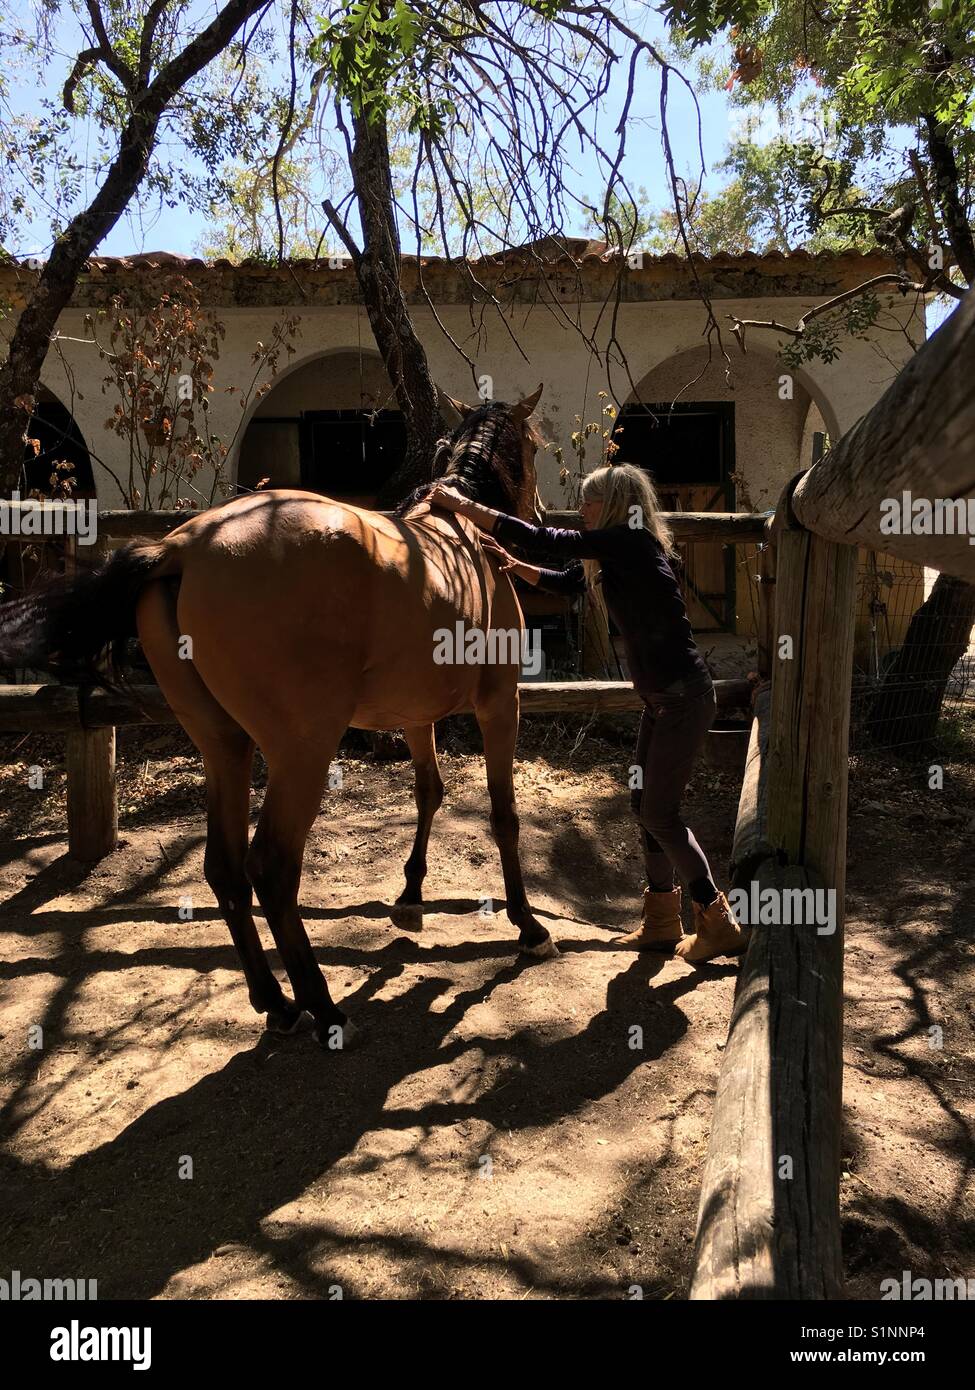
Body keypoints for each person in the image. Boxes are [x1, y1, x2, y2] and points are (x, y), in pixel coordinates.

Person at [427, 461, 748, 962]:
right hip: (661, 699)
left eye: (590, 500)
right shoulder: (620, 550)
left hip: (683, 698)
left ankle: (717, 920)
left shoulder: (629, 541)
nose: (581, 508)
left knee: (660, 813)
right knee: (643, 805)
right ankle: (662, 921)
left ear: (616, 505)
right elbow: (570, 581)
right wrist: (516, 568)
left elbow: (543, 536)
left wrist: (462, 505)